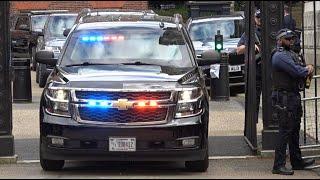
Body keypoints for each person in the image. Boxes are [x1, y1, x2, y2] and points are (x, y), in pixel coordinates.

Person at [271, 28, 315, 175]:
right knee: (284, 131)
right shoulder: (280, 56)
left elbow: (299, 68)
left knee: (295, 130)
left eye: (292, 39)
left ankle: (297, 161)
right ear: (280, 40)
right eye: (288, 39)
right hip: (284, 98)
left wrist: (305, 69)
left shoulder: (291, 54)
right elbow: (297, 70)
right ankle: (278, 165)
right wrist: (307, 69)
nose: (291, 41)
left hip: (293, 96)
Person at [237, 9, 262, 121]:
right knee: (253, 100)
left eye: (262, 17)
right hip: (254, 71)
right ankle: (253, 122)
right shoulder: (250, 32)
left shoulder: (271, 31)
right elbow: (238, 50)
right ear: (254, 19)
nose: (260, 20)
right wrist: (250, 45)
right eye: (258, 17)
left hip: (268, 71)